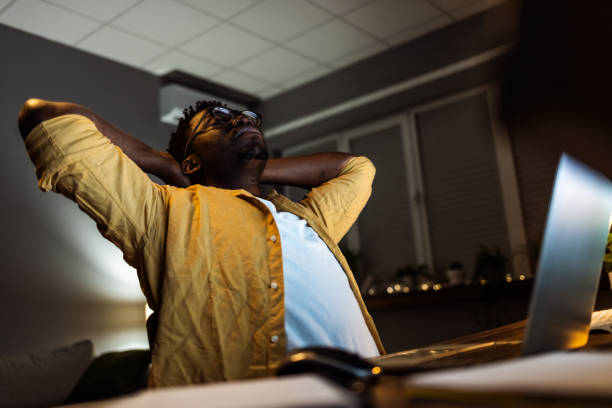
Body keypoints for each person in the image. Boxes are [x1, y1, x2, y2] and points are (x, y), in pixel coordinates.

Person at [18, 98, 385, 387]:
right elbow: (44, 118)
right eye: (219, 120)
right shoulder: (163, 212)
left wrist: (252, 168)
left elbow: (357, 168)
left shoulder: (308, 220)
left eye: (245, 118)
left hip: (372, 391)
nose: (240, 120)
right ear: (191, 161)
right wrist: (165, 164)